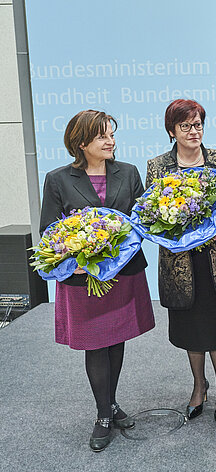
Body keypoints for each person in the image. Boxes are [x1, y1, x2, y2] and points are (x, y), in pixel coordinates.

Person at [39, 110, 155, 452]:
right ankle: (103, 414)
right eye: (102, 136)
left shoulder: (129, 173)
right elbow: (50, 231)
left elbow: (141, 221)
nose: (111, 141)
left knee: (116, 339)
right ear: (81, 142)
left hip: (122, 274)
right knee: (95, 343)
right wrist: (73, 262)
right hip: (82, 278)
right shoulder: (58, 179)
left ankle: (112, 401)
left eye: (111, 135)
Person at [146, 99, 216, 428]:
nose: (194, 131)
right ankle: (198, 386)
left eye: (198, 124)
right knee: (190, 327)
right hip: (180, 263)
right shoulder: (158, 167)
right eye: (186, 126)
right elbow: (151, 216)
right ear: (172, 131)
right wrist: (174, 229)